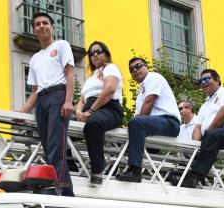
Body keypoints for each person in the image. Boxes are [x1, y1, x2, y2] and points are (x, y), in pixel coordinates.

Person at [18, 12, 75, 196]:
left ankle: (57, 188)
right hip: (41, 100)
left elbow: (70, 74)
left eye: (45, 23)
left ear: (52, 27)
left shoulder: (61, 45)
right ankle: (66, 191)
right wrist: (23, 111)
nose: (42, 26)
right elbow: (34, 91)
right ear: (34, 30)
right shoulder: (34, 58)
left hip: (58, 95)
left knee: (56, 145)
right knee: (48, 146)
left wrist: (68, 101)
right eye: (37, 24)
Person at [116, 58, 180, 182]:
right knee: (124, 135)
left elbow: (149, 102)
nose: (135, 70)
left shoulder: (154, 77)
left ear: (147, 67)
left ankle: (135, 171)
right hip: (155, 124)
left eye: (138, 66)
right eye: (131, 69)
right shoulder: (142, 88)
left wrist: (134, 124)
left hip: (169, 122)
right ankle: (114, 169)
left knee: (135, 124)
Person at [181, 69, 224, 188]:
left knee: (212, 135)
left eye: (206, 79)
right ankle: (189, 174)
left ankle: (195, 176)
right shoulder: (204, 105)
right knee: (192, 148)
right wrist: (196, 146)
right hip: (213, 137)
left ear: (217, 80)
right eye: (200, 81)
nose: (203, 83)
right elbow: (198, 126)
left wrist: (207, 134)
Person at [75, 41, 123, 185]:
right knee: (60, 123)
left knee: (94, 123)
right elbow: (82, 99)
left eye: (98, 51)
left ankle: (97, 170)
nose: (94, 55)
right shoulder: (91, 78)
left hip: (109, 107)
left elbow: (109, 89)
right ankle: (69, 164)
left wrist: (90, 111)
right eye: (91, 53)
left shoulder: (111, 68)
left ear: (107, 55)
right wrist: (79, 111)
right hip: (90, 108)